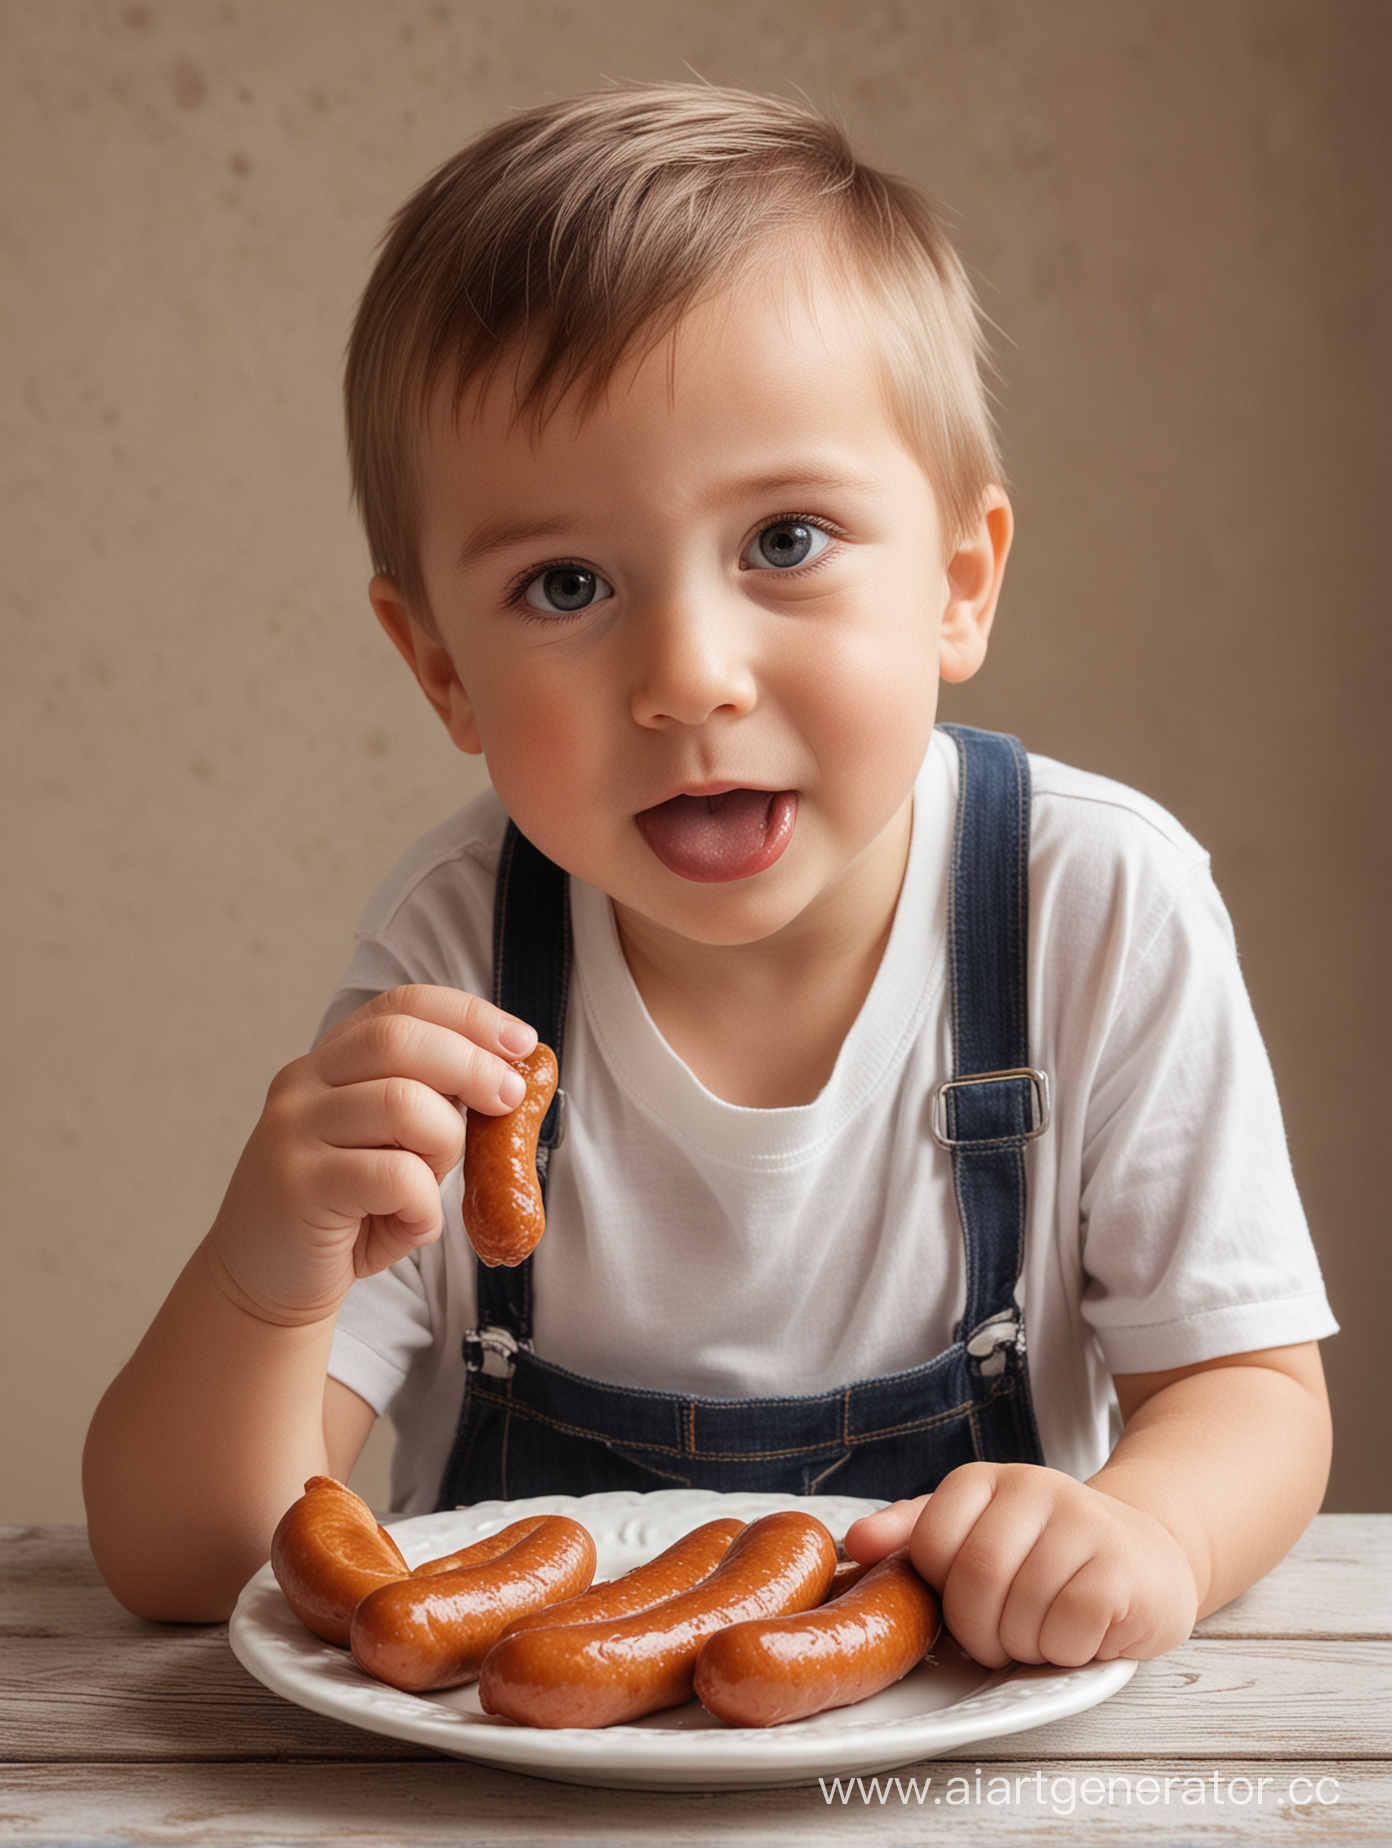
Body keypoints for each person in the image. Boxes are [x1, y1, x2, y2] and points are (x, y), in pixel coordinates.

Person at [84, 83, 1335, 1671]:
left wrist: (1153, 1529)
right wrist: (264, 1280)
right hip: (509, 1802)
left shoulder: (1092, 905)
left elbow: (1251, 1394)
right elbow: (184, 1565)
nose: (687, 677)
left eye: (787, 542)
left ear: (959, 585)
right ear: (441, 669)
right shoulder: (460, 947)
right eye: (566, 582)